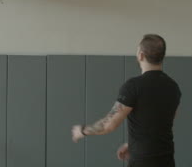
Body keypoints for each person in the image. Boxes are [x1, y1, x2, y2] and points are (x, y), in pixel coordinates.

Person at [72, 34, 181, 167]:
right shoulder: (173, 87)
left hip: (142, 162)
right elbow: (162, 123)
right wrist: (131, 144)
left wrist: (83, 131)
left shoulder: (133, 86)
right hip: (167, 161)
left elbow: (109, 124)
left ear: (141, 55)